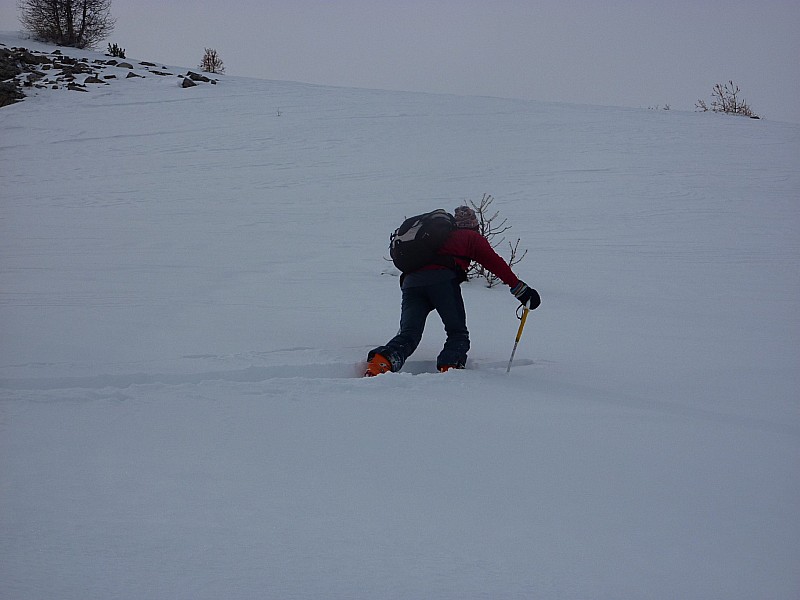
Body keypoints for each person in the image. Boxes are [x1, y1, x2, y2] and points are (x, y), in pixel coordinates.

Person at [365, 206, 540, 376]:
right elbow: (495, 263)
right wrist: (521, 290)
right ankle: (450, 370)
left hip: (411, 284)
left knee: (409, 334)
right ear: (474, 225)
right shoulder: (470, 237)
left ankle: (381, 363)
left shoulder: (437, 238)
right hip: (442, 282)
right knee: (457, 333)